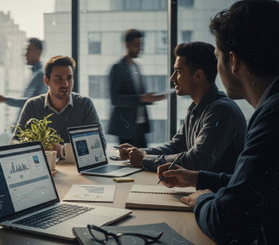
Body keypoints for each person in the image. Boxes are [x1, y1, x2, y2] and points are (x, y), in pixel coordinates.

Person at [157, 1, 279, 243]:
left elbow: (226, 219)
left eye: (217, 57)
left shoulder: (271, 117)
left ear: (232, 60)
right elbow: (249, 185)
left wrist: (200, 198)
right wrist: (197, 178)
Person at [119, 42, 246, 173]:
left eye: (178, 71)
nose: (172, 78)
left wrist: (145, 159)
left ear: (198, 75)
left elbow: (196, 160)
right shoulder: (195, 107)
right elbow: (176, 146)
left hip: (216, 192)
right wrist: (139, 152)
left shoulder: (221, 111)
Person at [11, 55, 106, 151]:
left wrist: (62, 150)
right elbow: (14, 142)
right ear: (46, 81)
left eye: (69, 78)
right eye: (59, 78)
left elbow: (100, 144)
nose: (65, 84)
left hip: (75, 166)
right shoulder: (32, 105)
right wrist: (38, 149)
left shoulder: (84, 104)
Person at [108, 29, 165, 147]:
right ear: (127, 45)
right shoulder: (117, 67)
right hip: (126, 128)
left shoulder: (136, 67)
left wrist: (150, 98)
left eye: (141, 45)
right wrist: (142, 98)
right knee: (128, 163)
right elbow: (116, 99)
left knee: (144, 159)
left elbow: (139, 95)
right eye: (136, 45)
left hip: (140, 126)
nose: (140, 48)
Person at [0, 38, 47, 108]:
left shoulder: (41, 76)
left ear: (38, 52)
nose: (25, 54)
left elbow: (33, 103)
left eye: (28, 50)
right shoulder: (34, 74)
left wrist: (5, 100)